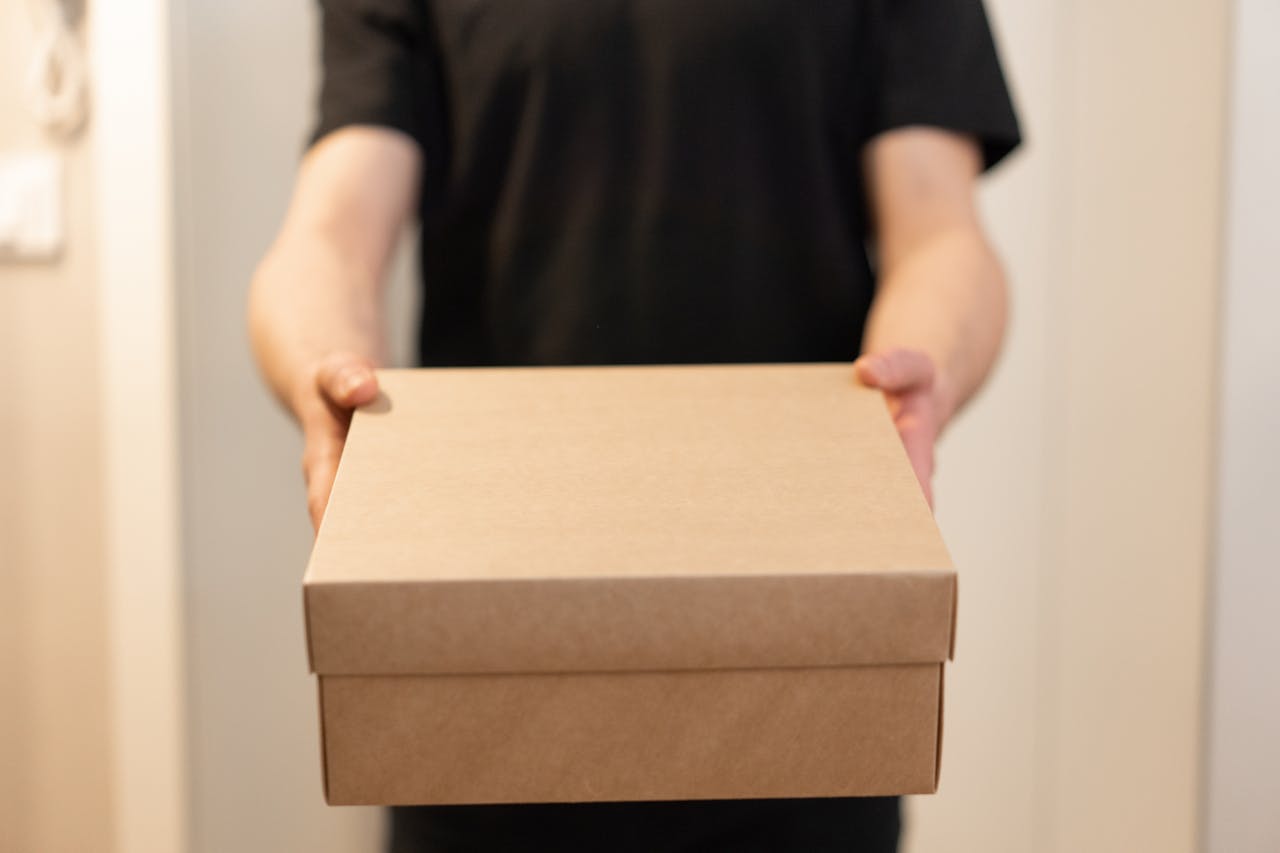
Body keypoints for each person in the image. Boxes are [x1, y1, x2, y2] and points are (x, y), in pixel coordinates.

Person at [249, 1, 1020, 850]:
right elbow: (331, 233)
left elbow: (941, 233)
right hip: (481, 680)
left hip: (802, 666)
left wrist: (925, 370)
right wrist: (325, 362)